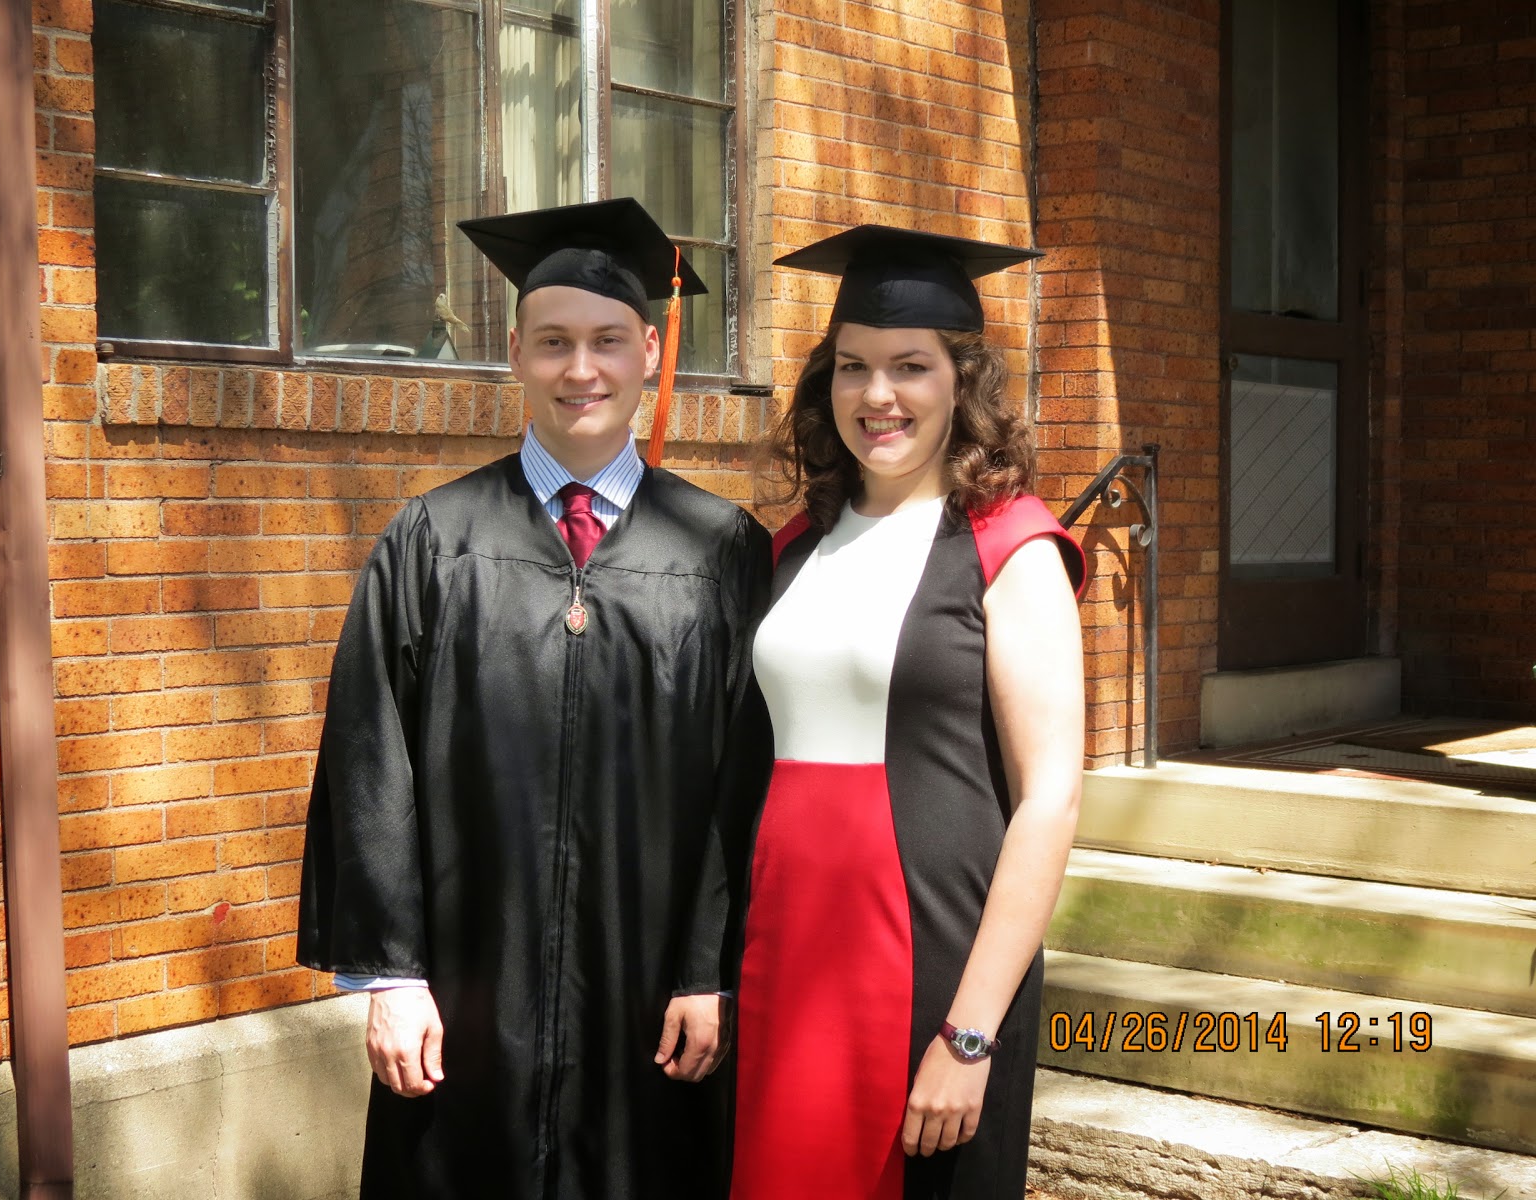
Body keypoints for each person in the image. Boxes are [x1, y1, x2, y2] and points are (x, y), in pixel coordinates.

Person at [297, 198, 772, 1200]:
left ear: (648, 350)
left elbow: (747, 783)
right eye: (553, 343)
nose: (580, 370)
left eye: (605, 342)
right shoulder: (433, 540)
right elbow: (371, 760)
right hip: (469, 996)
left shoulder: (721, 549)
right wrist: (391, 976)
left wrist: (708, 970)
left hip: (651, 998)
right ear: (514, 352)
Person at [730, 226, 1087, 1200]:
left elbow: (1049, 799)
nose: (876, 394)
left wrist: (970, 1033)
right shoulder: (796, 545)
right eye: (852, 366)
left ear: (960, 382)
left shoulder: (1012, 546)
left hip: (934, 965)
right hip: (786, 962)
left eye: (909, 366)